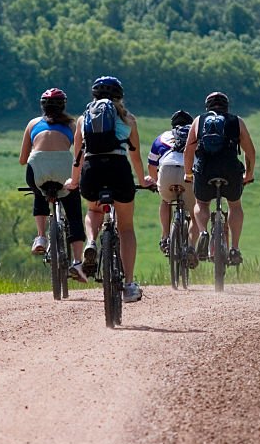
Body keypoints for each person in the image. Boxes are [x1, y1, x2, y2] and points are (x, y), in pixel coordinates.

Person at [67, 76, 154, 303]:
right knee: (125, 227)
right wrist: (143, 180)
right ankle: (129, 284)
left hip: (92, 170)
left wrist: (74, 182)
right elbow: (135, 156)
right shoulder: (128, 119)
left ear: (94, 96)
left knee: (94, 211)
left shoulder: (84, 119)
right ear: (120, 96)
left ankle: (91, 242)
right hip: (118, 170)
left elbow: (78, 157)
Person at [19, 87, 88, 283]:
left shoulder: (33, 124)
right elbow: (80, 152)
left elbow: (23, 159)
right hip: (65, 168)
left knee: (38, 193)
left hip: (36, 170)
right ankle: (77, 262)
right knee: (73, 212)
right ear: (63, 105)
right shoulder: (73, 125)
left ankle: (41, 237)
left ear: (42, 106)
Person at [183, 91, 256, 266]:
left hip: (205, 170)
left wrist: (188, 174)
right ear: (226, 106)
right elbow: (250, 152)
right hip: (230, 169)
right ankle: (235, 249)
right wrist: (249, 174)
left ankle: (203, 233)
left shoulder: (198, 121)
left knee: (201, 203)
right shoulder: (236, 121)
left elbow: (188, 151)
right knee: (234, 205)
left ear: (207, 106)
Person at [147, 110, 198, 268]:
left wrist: (156, 183)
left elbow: (151, 165)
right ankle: (190, 246)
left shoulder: (162, 137)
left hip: (167, 171)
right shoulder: (196, 137)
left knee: (166, 200)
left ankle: (165, 237)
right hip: (188, 173)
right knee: (196, 211)